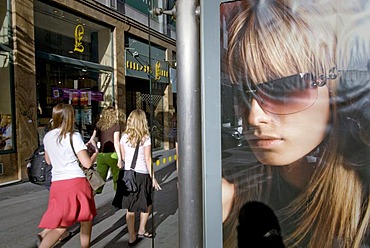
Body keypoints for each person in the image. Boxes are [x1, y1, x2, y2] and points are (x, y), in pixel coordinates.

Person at [221, 1, 370, 248]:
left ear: (337, 90)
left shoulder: (362, 212)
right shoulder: (234, 192)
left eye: (284, 87)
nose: (253, 117)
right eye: (243, 93)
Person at [37, 103, 98, 248]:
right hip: (76, 183)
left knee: (61, 223)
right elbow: (87, 164)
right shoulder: (74, 136)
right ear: (70, 117)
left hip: (57, 184)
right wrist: (95, 152)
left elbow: (48, 160)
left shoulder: (48, 137)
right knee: (84, 219)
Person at [117, 109, 161, 246]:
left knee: (130, 208)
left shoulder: (124, 137)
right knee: (146, 203)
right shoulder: (145, 138)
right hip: (142, 175)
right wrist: (153, 177)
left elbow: (124, 157)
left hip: (128, 175)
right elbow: (148, 159)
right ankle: (142, 229)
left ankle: (131, 236)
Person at [87, 107, 125, 194]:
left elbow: (92, 139)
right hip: (113, 155)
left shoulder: (99, 125)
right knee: (117, 178)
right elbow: (116, 142)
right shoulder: (116, 125)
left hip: (101, 155)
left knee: (99, 179)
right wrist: (120, 159)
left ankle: (92, 197)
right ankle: (118, 199)